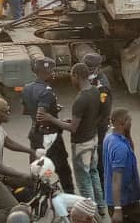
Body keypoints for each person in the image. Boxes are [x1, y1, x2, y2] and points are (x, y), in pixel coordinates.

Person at [38, 63, 106, 218]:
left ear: (76, 76)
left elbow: (73, 129)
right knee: (93, 173)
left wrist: (51, 118)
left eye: (71, 77)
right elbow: (95, 116)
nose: (71, 80)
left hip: (82, 144)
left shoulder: (80, 99)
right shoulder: (95, 91)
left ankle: (90, 213)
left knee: (84, 181)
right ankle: (101, 207)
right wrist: (76, 121)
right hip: (93, 139)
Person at [23, 57, 75, 194]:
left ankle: (37, 193)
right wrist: (55, 119)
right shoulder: (46, 91)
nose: (54, 74)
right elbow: (41, 115)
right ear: (46, 72)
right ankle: (69, 196)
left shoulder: (27, 88)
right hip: (49, 136)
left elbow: (31, 111)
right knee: (61, 168)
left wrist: (53, 109)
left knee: (37, 166)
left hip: (35, 133)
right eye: (52, 71)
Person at [0, 96, 33, 214]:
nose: (9, 113)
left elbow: (8, 142)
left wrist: (31, 151)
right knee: (14, 210)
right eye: (6, 111)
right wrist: (21, 174)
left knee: (33, 182)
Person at [105, 108, 140, 223]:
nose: (131, 122)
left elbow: (131, 149)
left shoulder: (110, 138)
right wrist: (118, 210)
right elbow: (116, 179)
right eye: (130, 120)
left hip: (117, 200)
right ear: (123, 122)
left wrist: (128, 133)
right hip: (124, 203)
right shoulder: (120, 148)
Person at [83, 53, 113, 193]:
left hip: (98, 128)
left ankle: (102, 186)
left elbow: (104, 112)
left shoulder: (102, 87)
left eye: (91, 68)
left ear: (98, 68)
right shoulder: (91, 81)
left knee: (98, 156)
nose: (88, 71)